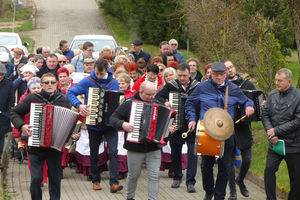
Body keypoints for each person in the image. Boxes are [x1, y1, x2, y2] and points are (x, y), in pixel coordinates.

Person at [185, 62, 255, 200]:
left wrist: (249, 107)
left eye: (221, 75)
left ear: (225, 74)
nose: (218, 77)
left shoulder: (233, 89)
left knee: (225, 166)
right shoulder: (202, 87)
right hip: (207, 132)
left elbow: (247, 101)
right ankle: (209, 190)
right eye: (215, 74)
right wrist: (192, 119)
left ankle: (219, 195)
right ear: (211, 73)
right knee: (206, 165)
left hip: (226, 132)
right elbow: (190, 103)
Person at [109, 81, 176, 200]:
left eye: (154, 94)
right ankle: (130, 197)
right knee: (133, 175)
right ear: (141, 92)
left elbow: (167, 124)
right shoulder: (128, 103)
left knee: (154, 176)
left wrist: (169, 130)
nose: (152, 97)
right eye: (149, 95)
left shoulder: (158, 103)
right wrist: (122, 124)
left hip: (154, 148)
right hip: (135, 147)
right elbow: (113, 118)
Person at [10, 73, 72, 200]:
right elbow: (14, 112)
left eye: (52, 82)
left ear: (56, 84)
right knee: (36, 178)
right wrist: (22, 126)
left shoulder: (63, 100)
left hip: (55, 147)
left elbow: (70, 122)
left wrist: (71, 137)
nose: (50, 85)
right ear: (41, 85)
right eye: (46, 82)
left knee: (55, 180)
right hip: (35, 146)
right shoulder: (33, 98)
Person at [67, 58, 123, 192]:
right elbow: (71, 92)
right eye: (97, 73)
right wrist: (79, 105)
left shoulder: (113, 82)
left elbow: (118, 101)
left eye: (101, 74)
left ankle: (114, 183)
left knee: (114, 151)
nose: (99, 76)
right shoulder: (87, 81)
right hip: (93, 123)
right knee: (94, 152)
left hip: (110, 124)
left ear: (107, 71)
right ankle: (95, 180)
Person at [156, 63, 199, 193]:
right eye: (179, 75)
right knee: (175, 154)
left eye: (184, 75)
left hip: (192, 125)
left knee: (193, 154)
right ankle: (177, 177)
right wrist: (165, 102)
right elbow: (158, 97)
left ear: (189, 74)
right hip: (176, 125)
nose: (181, 78)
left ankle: (190, 182)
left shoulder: (197, 86)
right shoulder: (171, 86)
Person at [262, 68, 300, 200]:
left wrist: (276, 131)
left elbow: (298, 121)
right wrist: (270, 132)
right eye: (276, 80)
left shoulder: (298, 97)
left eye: (280, 81)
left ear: (289, 81)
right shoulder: (272, 95)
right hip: (275, 143)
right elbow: (265, 114)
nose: (277, 83)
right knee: (268, 171)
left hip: (294, 145)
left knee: (296, 178)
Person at [223, 59, 256, 200]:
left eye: (231, 67)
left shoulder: (247, 85)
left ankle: (240, 180)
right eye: (227, 69)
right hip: (228, 127)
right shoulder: (222, 87)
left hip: (244, 128)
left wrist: (260, 105)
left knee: (247, 159)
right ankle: (232, 192)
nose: (230, 70)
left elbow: (257, 101)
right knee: (229, 161)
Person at [0, 64, 14, 164]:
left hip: (2, 115)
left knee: (1, 137)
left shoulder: (9, 84)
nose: (0, 76)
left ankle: (0, 158)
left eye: (1, 74)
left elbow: (11, 100)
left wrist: (7, 114)